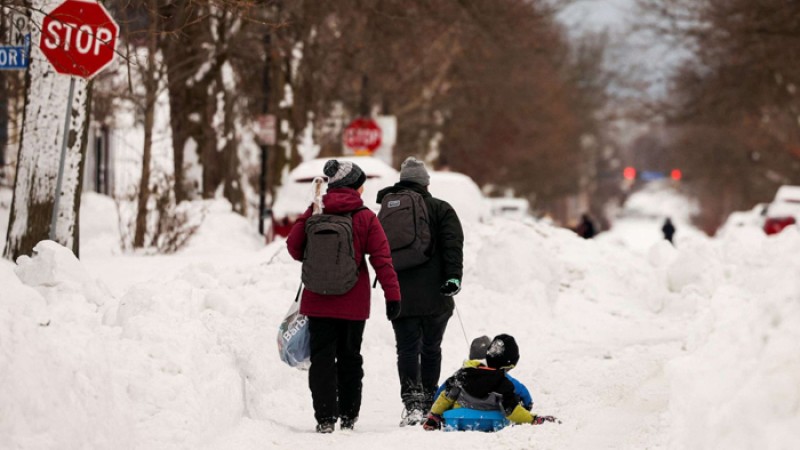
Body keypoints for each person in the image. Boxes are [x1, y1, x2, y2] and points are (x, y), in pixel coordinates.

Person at [287, 159, 401, 433]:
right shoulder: (364, 216)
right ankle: (349, 415)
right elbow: (381, 259)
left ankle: (325, 418)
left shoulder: (316, 210)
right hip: (353, 301)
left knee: (322, 359)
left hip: (317, 299)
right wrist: (393, 295)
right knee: (350, 357)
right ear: (354, 186)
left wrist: (308, 215)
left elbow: (294, 248)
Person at [376, 156, 464, 426]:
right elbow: (452, 245)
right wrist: (453, 278)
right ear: (426, 183)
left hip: (400, 291)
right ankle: (428, 400)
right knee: (431, 348)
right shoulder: (441, 208)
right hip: (436, 292)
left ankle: (412, 404)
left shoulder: (388, 210)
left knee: (406, 349)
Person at [422, 334, 559, 431]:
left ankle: (437, 417)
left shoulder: (462, 375)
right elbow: (512, 411)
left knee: (451, 394)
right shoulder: (504, 383)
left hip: (460, 418)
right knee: (509, 402)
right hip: (490, 421)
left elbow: (444, 395)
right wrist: (532, 419)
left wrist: (434, 414)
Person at [432, 336, 533, 411]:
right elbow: (520, 389)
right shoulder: (499, 376)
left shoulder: (461, 374)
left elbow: (444, 389)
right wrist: (527, 404)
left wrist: (435, 404)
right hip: (491, 413)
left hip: (463, 411)